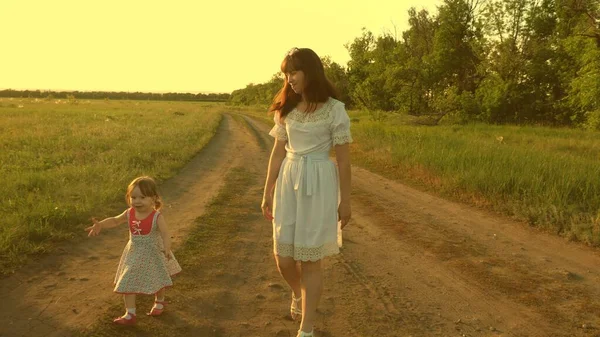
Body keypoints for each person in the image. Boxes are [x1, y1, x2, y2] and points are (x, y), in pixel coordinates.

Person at [261, 47, 352, 337]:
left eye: (294, 73)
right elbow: (277, 154)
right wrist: (267, 191)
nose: (289, 79)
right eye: (286, 74)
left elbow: (344, 160)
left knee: (311, 260)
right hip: (289, 180)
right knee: (283, 257)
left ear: (310, 72)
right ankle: (298, 293)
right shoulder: (285, 109)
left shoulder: (334, 110)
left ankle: (306, 329)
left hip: (319, 183)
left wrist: (345, 201)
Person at [86, 176, 181, 325]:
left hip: (154, 252)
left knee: (158, 277)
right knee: (127, 278)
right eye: (133, 197)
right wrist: (101, 225)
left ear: (153, 198)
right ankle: (130, 313)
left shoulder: (156, 217)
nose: (136, 201)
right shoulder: (129, 213)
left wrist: (167, 248)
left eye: (142, 197)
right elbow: (115, 220)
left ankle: (160, 301)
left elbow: (165, 233)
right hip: (134, 252)